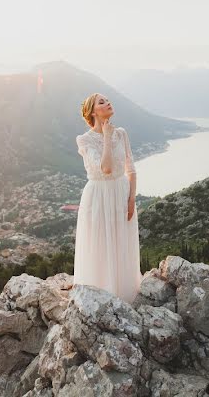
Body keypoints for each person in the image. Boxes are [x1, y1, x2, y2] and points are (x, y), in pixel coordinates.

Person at [70, 92, 142, 303]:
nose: (108, 103)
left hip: (121, 192)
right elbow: (107, 168)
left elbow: (131, 168)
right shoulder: (84, 140)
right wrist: (107, 136)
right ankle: (101, 294)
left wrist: (131, 199)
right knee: (101, 243)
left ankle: (124, 293)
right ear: (93, 112)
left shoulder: (122, 133)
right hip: (98, 196)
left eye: (107, 100)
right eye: (102, 102)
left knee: (121, 240)